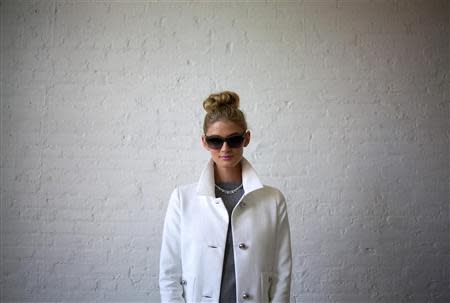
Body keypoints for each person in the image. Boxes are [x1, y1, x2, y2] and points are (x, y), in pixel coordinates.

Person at [159, 91, 292, 303]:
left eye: (234, 139)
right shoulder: (182, 199)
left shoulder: (272, 200)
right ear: (204, 142)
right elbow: (169, 273)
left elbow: (282, 272)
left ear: (246, 138)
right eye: (215, 141)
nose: (225, 149)